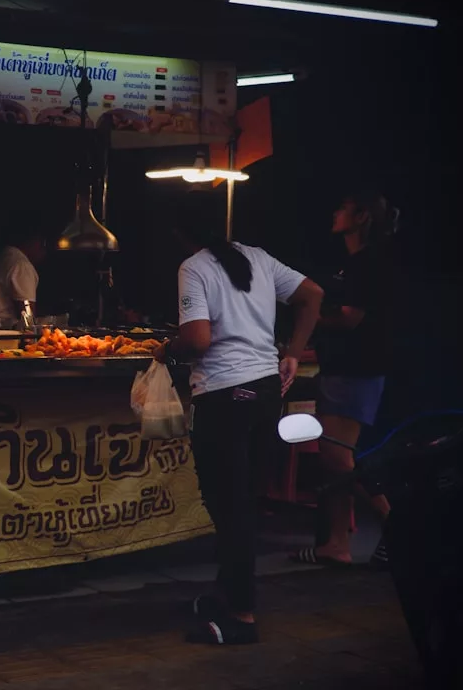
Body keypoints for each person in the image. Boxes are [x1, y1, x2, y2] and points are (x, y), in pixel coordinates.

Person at [153, 202, 323, 645]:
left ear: (181, 235)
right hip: (265, 393)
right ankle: (227, 596)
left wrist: (165, 351)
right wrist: (292, 353)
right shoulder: (260, 258)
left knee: (230, 508)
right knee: (243, 502)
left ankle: (242, 617)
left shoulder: (194, 267)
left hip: (225, 397)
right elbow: (313, 295)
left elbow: (197, 339)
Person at [290, 191, 399, 568]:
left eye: (343, 208)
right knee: (333, 458)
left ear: (362, 216)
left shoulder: (369, 263)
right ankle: (335, 544)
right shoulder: (354, 262)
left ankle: (397, 527)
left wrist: (311, 315)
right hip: (344, 369)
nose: (335, 212)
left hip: (357, 370)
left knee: (338, 457)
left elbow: (350, 318)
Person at [0, 224, 48, 330]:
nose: (43, 250)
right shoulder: (21, 265)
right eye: (42, 244)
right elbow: (27, 315)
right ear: (33, 242)